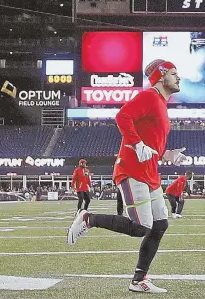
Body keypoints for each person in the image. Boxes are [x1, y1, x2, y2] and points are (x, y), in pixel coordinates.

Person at [66, 59, 187, 294]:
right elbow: (122, 116)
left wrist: (168, 154)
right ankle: (88, 218)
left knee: (160, 224)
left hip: (149, 172)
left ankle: (138, 280)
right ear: (161, 76)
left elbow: (152, 145)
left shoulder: (160, 102)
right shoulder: (150, 96)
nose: (178, 77)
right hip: (133, 171)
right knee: (141, 227)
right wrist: (137, 142)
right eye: (174, 73)